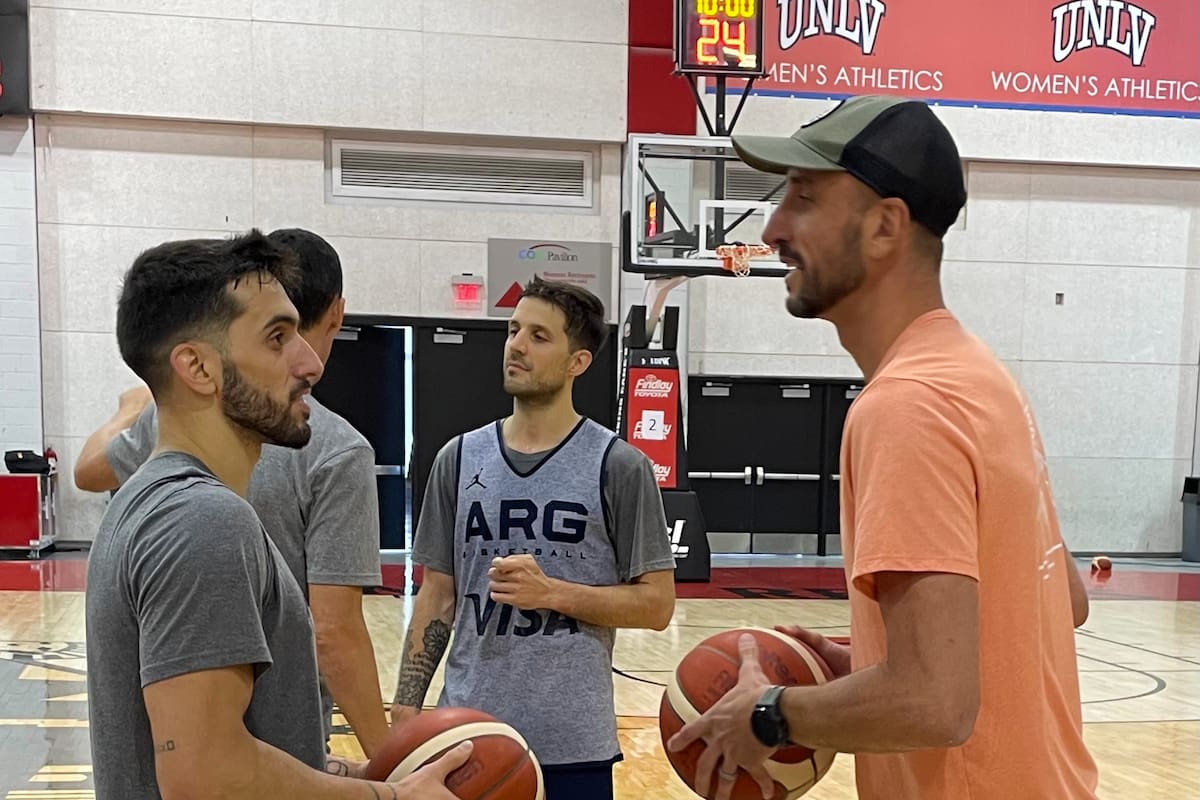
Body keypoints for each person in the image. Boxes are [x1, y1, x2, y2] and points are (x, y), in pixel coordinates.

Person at [667, 95, 1099, 800]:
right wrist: (868, 659)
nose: (773, 228)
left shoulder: (908, 406)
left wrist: (773, 714)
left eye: (803, 198)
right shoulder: (981, 378)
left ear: (884, 226)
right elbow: (1062, 605)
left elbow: (934, 704)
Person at [85, 231, 470, 799]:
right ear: (197, 367)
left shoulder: (144, 499)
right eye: (276, 338)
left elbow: (227, 744)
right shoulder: (205, 521)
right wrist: (392, 797)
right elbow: (204, 774)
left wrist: (344, 774)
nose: (309, 362)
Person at [390, 277, 677, 800]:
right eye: (513, 330)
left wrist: (555, 594)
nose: (516, 345)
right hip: (468, 734)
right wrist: (407, 710)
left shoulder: (618, 466)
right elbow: (437, 595)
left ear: (578, 363)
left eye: (539, 336)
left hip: (573, 744)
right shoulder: (458, 459)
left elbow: (656, 605)